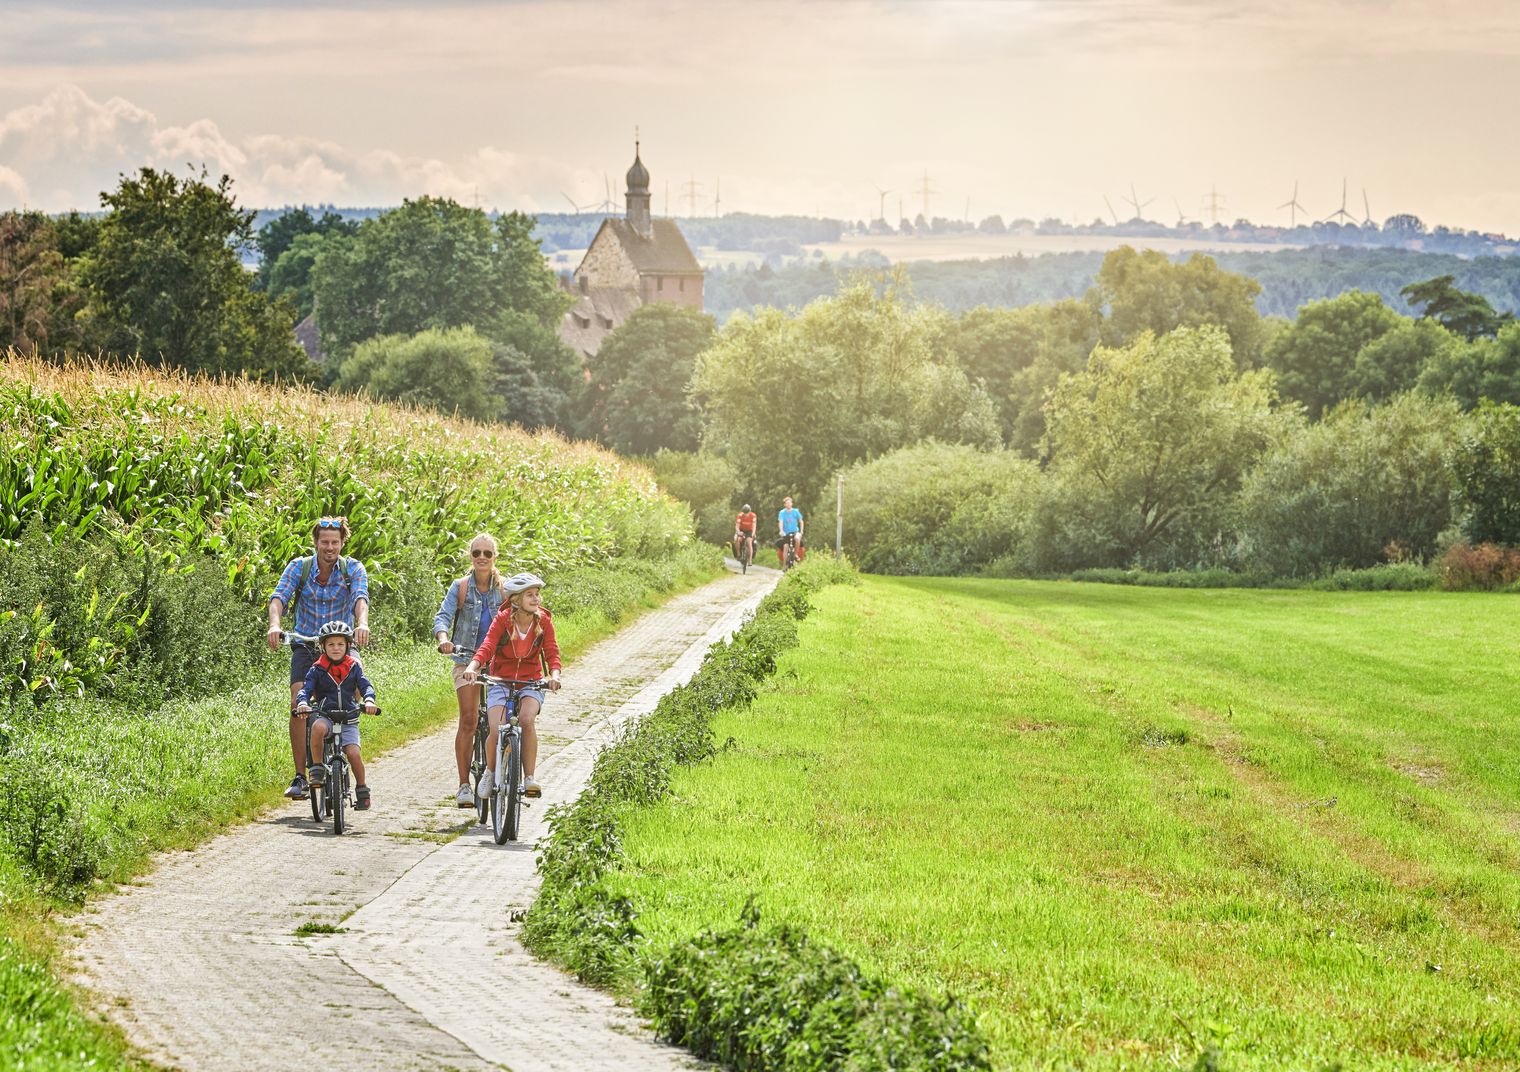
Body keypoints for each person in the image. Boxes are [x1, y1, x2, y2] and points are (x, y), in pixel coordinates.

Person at [266, 516, 370, 801]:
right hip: (306, 644)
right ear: (315, 542)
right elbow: (279, 598)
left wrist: (362, 624)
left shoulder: (353, 569)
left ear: (342, 543)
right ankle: (301, 775)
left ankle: (349, 741)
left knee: (360, 686)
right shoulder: (299, 568)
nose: (329, 547)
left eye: (335, 542)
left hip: (341, 644)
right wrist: (275, 625)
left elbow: (361, 598)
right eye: (324, 542)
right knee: (298, 704)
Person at [461, 572, 561, 799]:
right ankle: (489, 771)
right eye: (530, 595)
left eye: (537, 594)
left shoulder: (543, 621)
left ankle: (529, 778)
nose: (536, 599)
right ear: (516, 599)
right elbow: (487, 646)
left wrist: (554, 675)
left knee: (526, 719)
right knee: (497, 726)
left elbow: (552, 652)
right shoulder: (503, 619)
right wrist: (472, 667)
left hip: (530, 682)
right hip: (501, 680)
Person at [433, 533, 507, 807]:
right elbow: (443, 616)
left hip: (499, 661)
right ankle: (464, 785)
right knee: (469, 720)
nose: (482, 558)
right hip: (466, 659)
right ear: (470, 556)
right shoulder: (461, 586)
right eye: (477, 553)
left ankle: (497, 773)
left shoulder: (505, 589)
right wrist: (444, 640)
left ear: (495, 557)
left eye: (488, 553)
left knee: (503, 722)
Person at [294, 621, 378, 811]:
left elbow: (366, 685)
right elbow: (306, 689)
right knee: (317, 727)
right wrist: (302, 703)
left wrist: (370, 701)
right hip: (326, 715)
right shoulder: (317, 669)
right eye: (331, 644)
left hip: (348, 718)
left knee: (354, 754)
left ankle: (362, 790)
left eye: (340, 644)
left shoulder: (354, 667)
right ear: (323, 647)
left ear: (348, 645)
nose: (336, 648)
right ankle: (317, 769)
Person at [777, 495, 805, 567]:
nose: (789, 504)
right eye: (787, 503)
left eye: (790, 503)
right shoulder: (782, 512)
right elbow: (781, 522)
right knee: (785, 547)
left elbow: (801, 521)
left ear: (792, 504)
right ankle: (784, 566)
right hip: (786, 533)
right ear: (785, 504)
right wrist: (781, 530)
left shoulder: (796, 511)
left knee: (797, 538)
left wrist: (801, 531)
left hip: (795, 531)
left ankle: (795, 554)